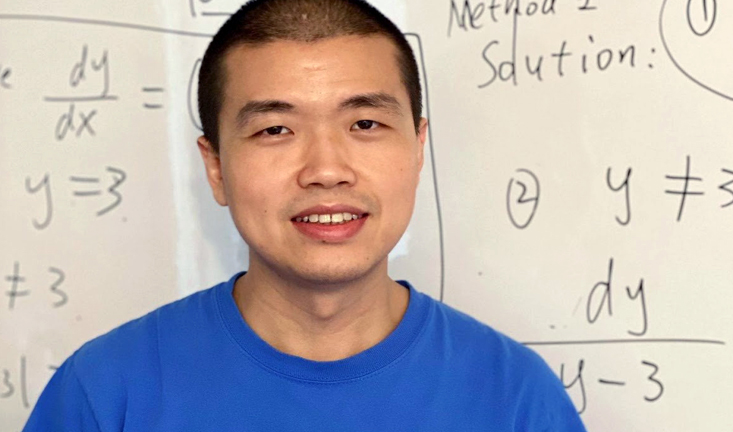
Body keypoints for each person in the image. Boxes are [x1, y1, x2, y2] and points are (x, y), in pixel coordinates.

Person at [23, 0, 587, 430]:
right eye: (275, 130)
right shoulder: (105, 394)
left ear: (418, 151)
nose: (326, 169)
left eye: (365, 124)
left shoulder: (516, 399)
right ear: (216, 168)